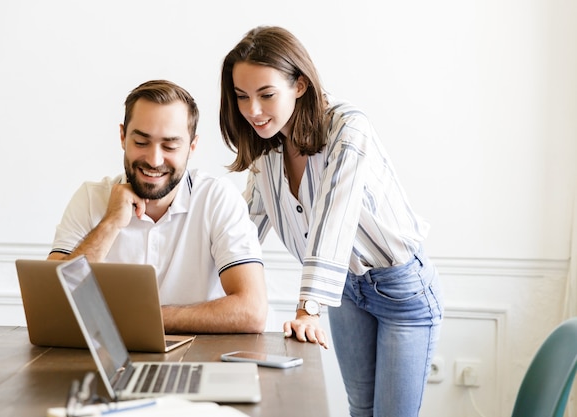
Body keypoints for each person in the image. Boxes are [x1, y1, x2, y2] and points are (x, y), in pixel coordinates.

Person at [219, 26, 443, 417]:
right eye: (241, 97)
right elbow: (244, 229)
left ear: (300, 85)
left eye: (266, 94)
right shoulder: (267, 149)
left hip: (401, 289)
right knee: (360, 409)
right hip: (346, 291)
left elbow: (333, 217)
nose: (252, 110)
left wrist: (307, 309)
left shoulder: (348, 128)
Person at [48, 80, 268, 335]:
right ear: (122, 137)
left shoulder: (217, 198)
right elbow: (52, 303)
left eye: (170, 146)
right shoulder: (90, 198)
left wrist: (140, 319)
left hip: (200, 359)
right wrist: (109, 224)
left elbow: (252, 311)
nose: (154, 160)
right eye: (141, 142)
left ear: (192, 147)